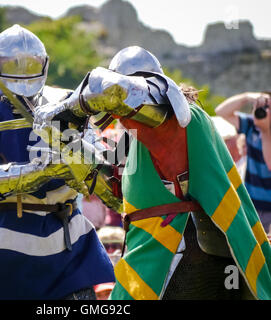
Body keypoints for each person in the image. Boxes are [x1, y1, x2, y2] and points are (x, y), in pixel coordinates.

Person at [34, 46, 271, 300]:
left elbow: (109, 87)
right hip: (161, 249)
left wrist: (66, 107)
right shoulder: (137, 136)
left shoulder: (169, 121)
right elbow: (115, 190)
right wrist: (66, 139)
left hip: (175, 253)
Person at [0, 25, 114, 300]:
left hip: (68, 242)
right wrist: (45, 169)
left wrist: (85, 159)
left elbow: (104, 177)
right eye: (11, 64)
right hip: (2, 245)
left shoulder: (65, 105)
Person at [215, 92, 271, 234]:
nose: (263, 110)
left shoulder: (262, 129)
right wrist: (247, 97)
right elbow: (221, 111)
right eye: (260, 106)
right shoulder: (252, 125)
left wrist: (265, 132)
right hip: (251, 204)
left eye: (267, 106)